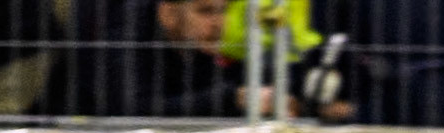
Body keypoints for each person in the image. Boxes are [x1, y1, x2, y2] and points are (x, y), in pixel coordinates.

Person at [42, 0, 294, 118]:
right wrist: (234, 98)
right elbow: (131, 110)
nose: (219, 23)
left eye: (223, 11)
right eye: (205, 12)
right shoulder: (125, 30)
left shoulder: (201, 45)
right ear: (168, 14)